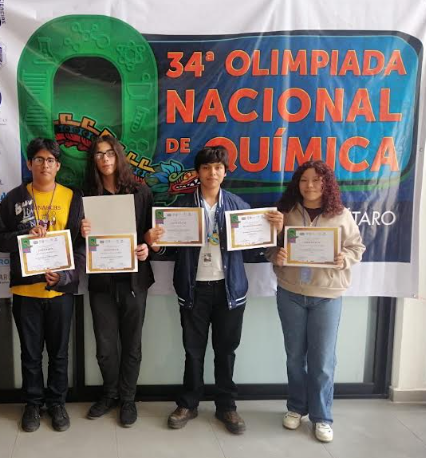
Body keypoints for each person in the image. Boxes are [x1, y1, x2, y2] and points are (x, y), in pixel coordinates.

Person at [146, 145, 283, 433]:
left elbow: (254, 250)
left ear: (225, 172)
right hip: (193, 289)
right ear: (198, 172)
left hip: (229, 290)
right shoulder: (182, 207)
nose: (212, 173)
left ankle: (227, 406)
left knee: (226, 351)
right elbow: (168, 249)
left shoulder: (238, 206)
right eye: (206, 167)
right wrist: (155, 244)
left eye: (218, 167)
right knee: (193, 351)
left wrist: (274, 230)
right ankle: (189, 403)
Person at [266, 160, 365, 443]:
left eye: (316, 180)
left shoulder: (341, 214)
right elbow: (268, 246)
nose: (310, 185)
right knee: (295, 357)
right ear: (297, 184)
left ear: (326, 184)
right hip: (290, 293)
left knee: (322, 361)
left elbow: (357, 247)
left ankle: (322, 417)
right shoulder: (285, 212)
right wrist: (276, 255)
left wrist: (344, 258)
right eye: (304, 180)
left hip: (327, 295)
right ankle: (296, 407)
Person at [0, 138, 84, 433]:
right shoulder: (14, 198)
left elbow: (80, 246)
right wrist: (23, 235)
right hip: (25, 292)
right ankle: (33, 404)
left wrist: (66, 278)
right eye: (39, 159)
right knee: (30, 354)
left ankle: (57, 403)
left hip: (60, 290)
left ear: (58, 166)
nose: (45, 165)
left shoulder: (73, 197)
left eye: (51, 160)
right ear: (29, 164)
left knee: (59, 353)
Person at [80, 135, 155, 427]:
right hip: (101, 281)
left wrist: (147, 248)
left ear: (118, 156)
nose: (105, 159)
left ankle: (128, 399)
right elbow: (75, 242)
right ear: (93, 160)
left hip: (134, 280)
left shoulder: (140, 191)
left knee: (132, 344)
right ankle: (109, 394)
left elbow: (152, 233)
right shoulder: (86, 194)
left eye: (110, 153)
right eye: (99, 154)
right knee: (105, 346)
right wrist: (81, 232)